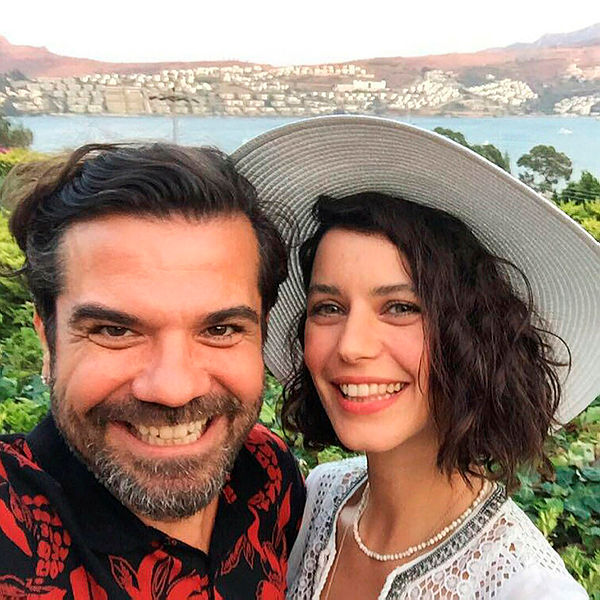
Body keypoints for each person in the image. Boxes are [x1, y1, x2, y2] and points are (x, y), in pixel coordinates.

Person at [232, 116, 600, 599]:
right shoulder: (320, 497)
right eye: (329, 308)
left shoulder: (526, 588)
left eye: (401, 307)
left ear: (473, 335)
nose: (351, 345)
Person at [0, 143, 305, 598]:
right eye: (115, 331)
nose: (173, 389)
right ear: (48, 340)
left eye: (220, 329)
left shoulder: (267, 473)